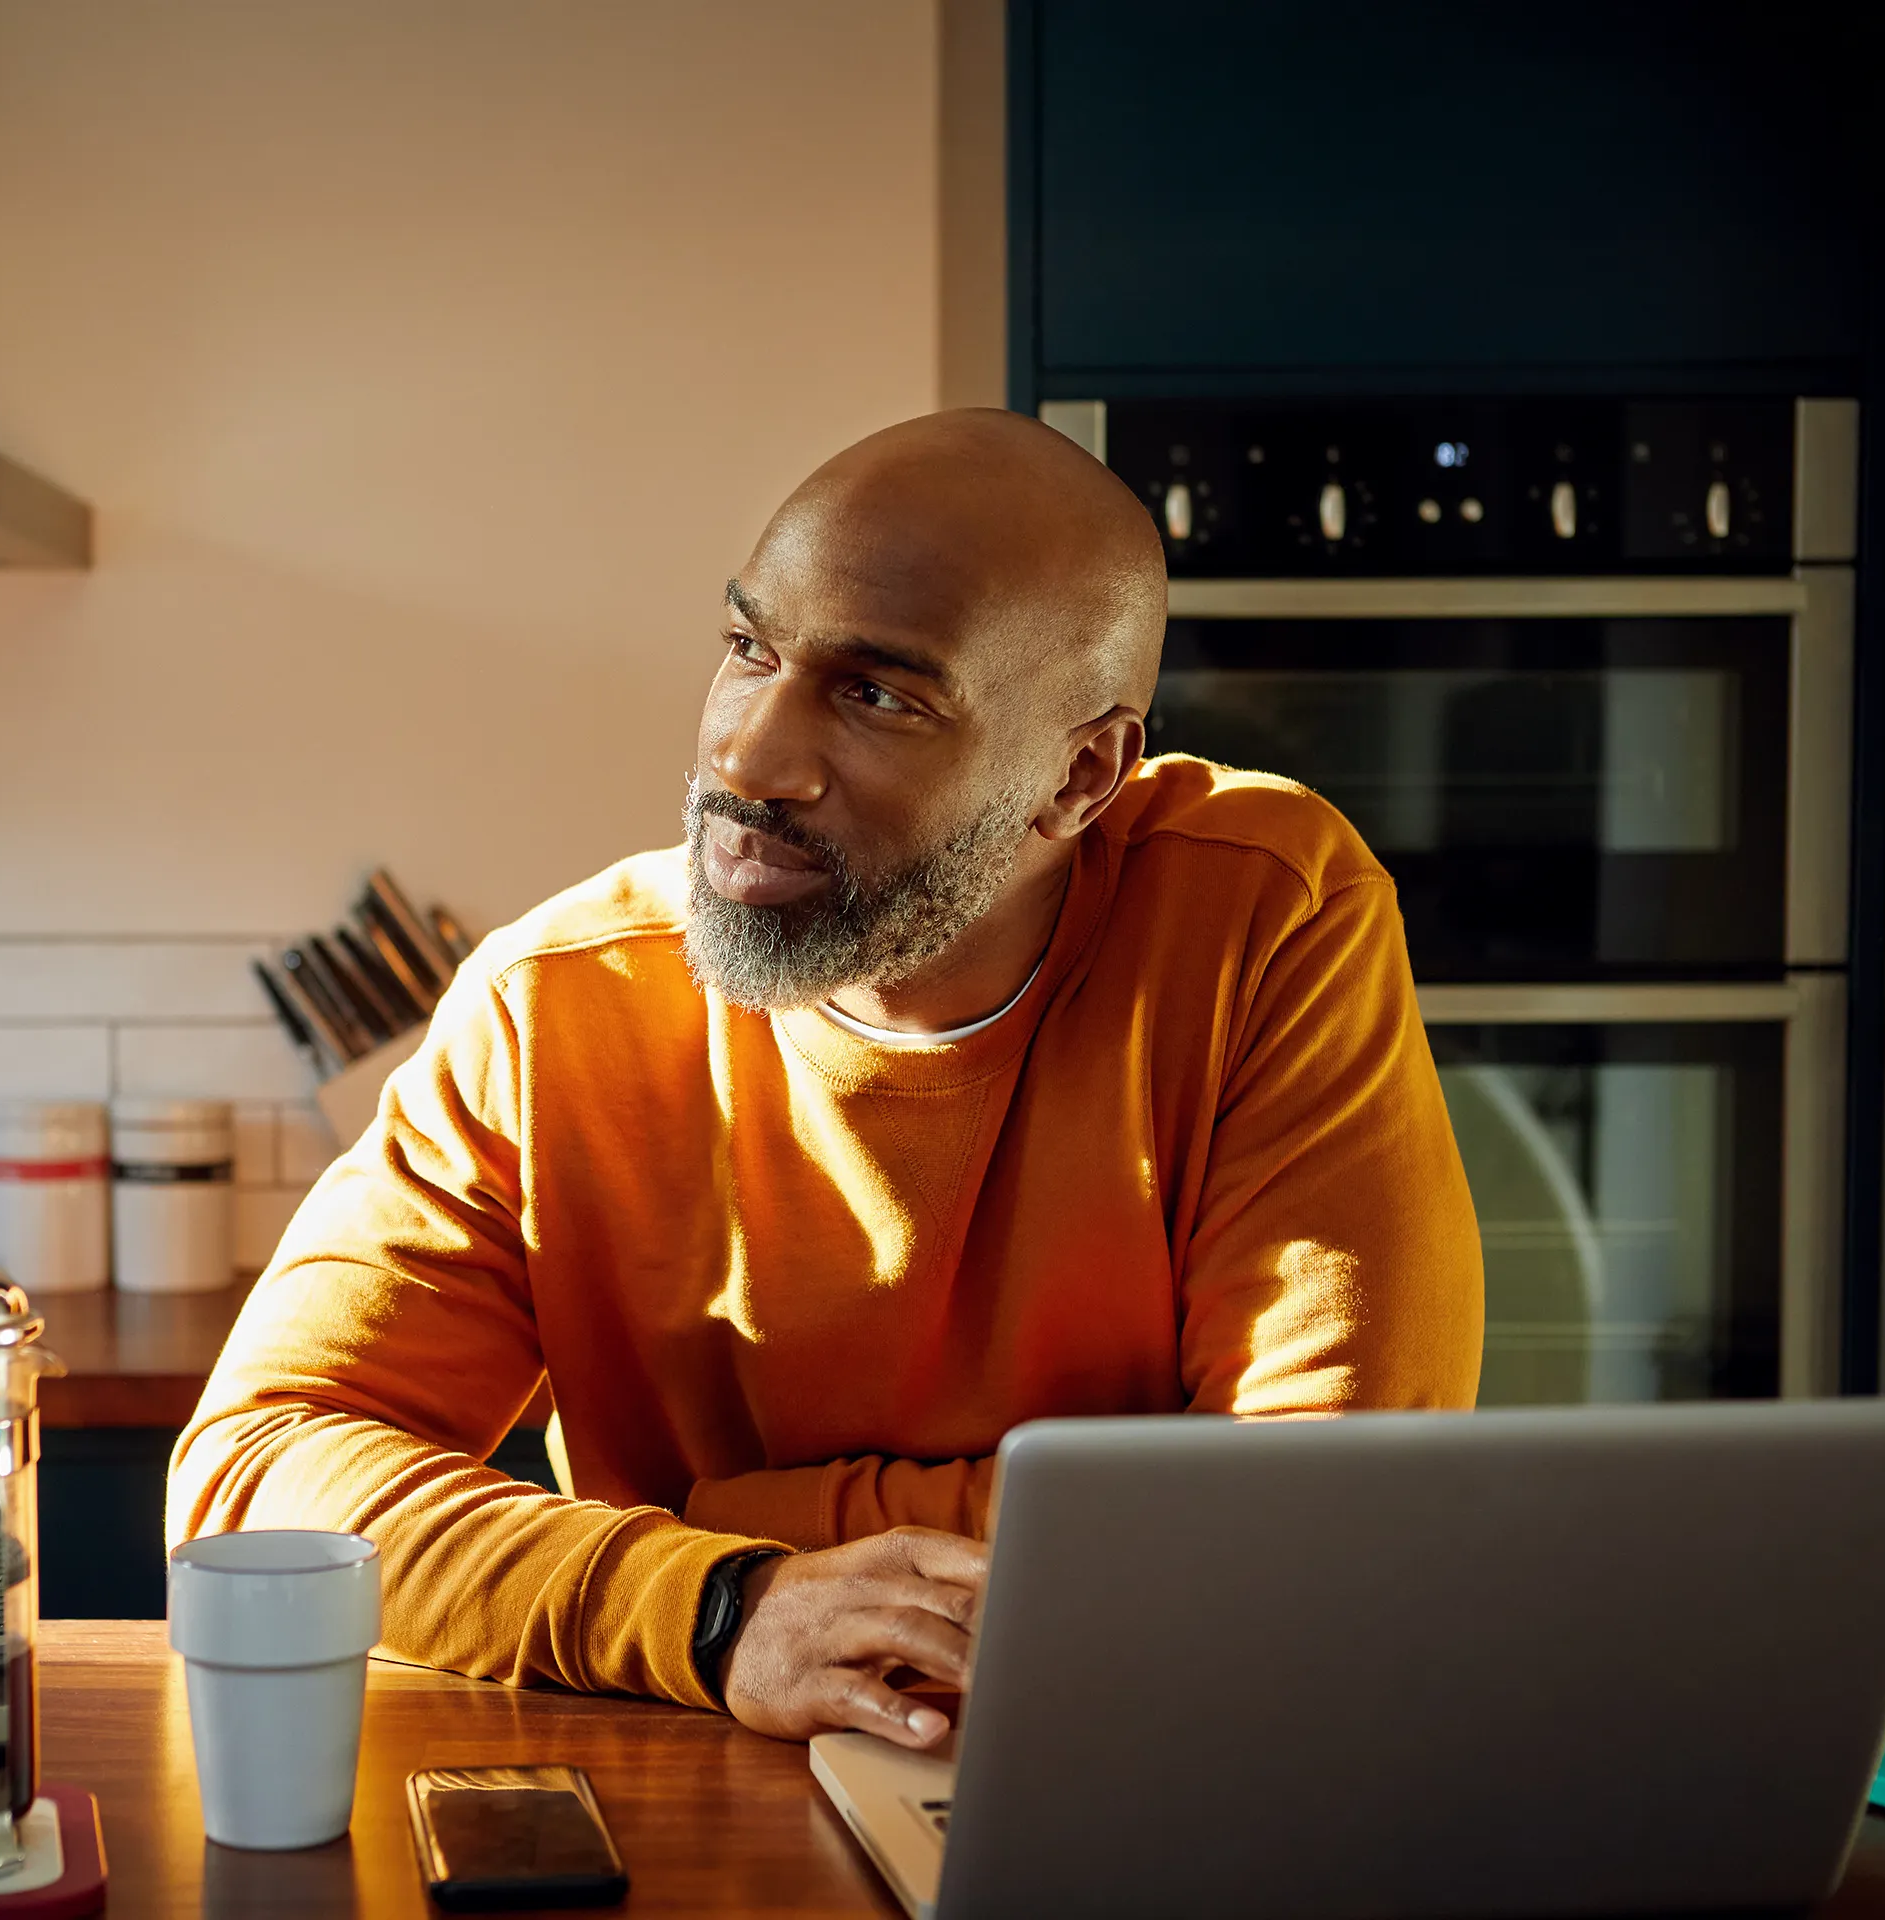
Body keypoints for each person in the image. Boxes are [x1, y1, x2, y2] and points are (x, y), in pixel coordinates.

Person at [168, 408, 1484, 1754]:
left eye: (877, 696)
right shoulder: (557, 1003)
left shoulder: (1261, 917)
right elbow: (255, 1477)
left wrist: (733, 1521)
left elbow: (1324, 1518)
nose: (748, 757)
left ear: (1080, 776)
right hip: (702, 1758)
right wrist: (721, 1606)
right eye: (749, 649)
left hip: (1137, 1753)